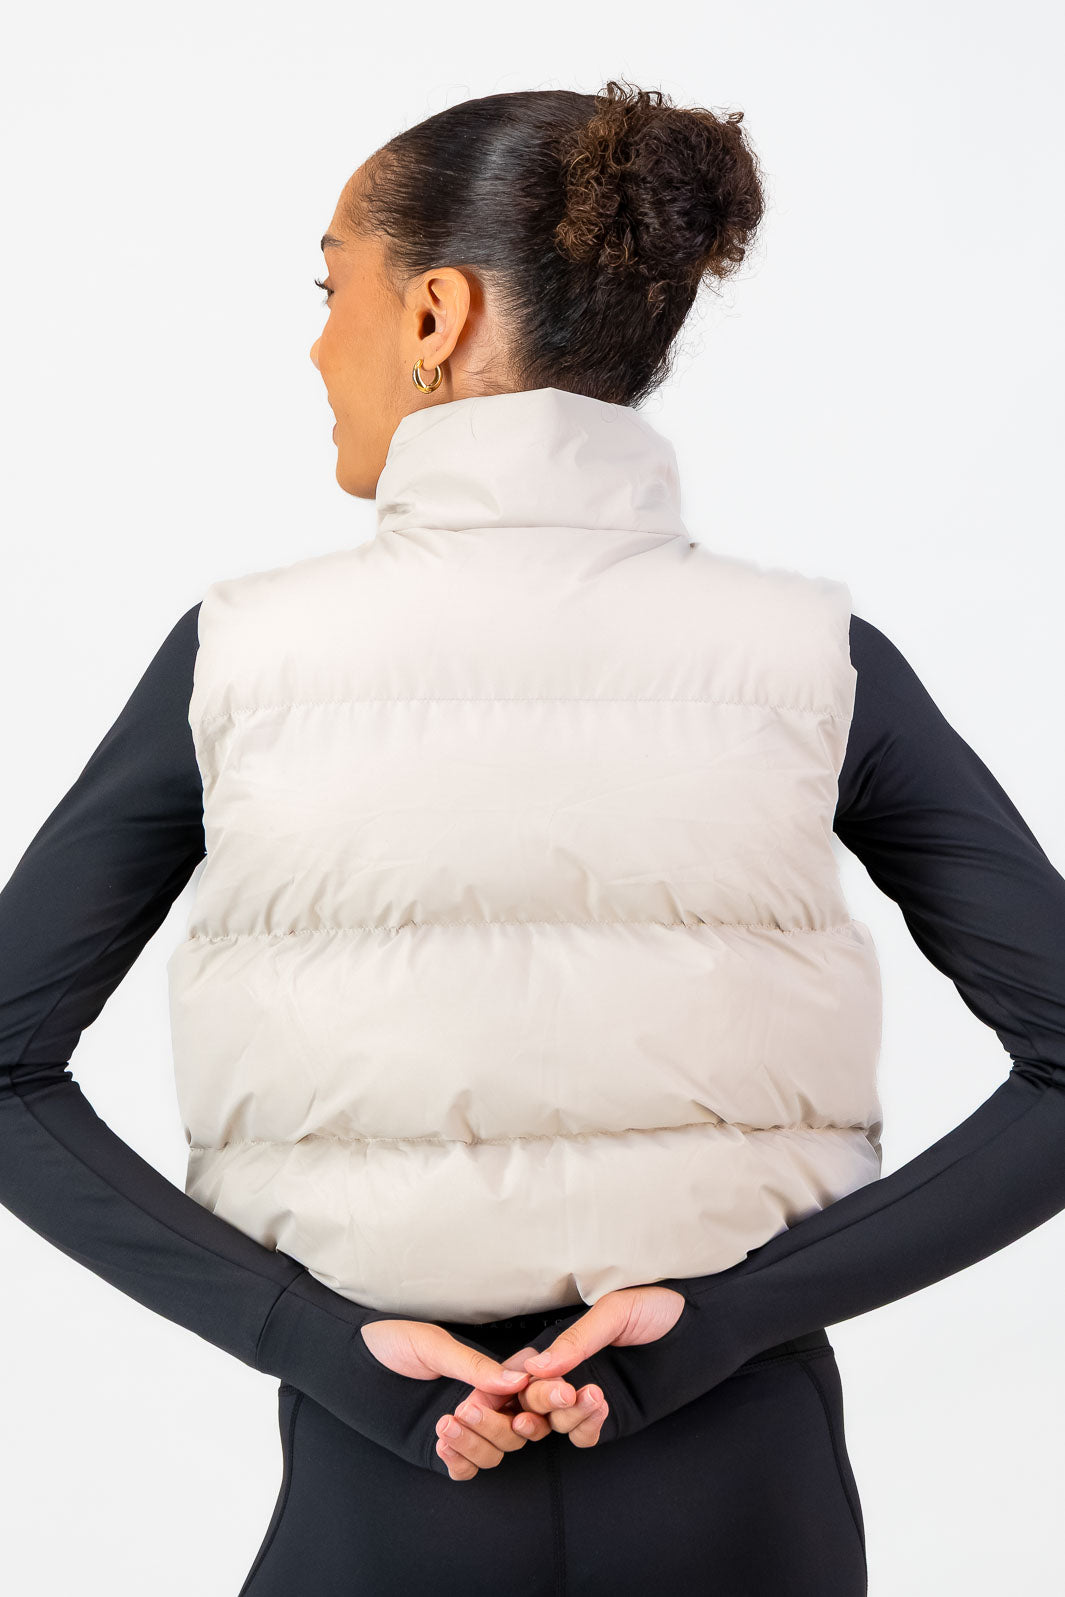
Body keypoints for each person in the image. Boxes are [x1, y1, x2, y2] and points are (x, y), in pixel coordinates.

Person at [2, 80, 1064, 1597]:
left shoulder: (240, 661)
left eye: (329, 288)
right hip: (746, 1492)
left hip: (389, 1488)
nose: (317, 344)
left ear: (434, 314)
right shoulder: (813, 659)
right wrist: (722, 1319)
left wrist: (319, 1338)